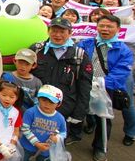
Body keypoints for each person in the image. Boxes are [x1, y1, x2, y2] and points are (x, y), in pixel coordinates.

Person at [77, 14, 135, 161]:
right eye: (102, 25)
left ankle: (100, 148)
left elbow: (121, 72)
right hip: (85, 84)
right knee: (81, 109)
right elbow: (77, 60)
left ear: (118, 29)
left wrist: (102, 83)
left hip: (105, 87)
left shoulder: (123, 50)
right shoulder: (86, 43)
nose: (105, 29)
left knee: (103, 117)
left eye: (109, 26)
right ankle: (80, 131)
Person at [30, 17, 92, 146]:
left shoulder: (79, 56)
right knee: (34, 140)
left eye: (62, 31)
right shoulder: (37, 50)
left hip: (63, 110)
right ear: (48, 31)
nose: (57, 35)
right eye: (54, 31)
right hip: (37, 106)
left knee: (55, 144)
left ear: (70, 33)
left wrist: (79, 113)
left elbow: (85, 87)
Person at [9, 85, 67, 161]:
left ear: (58, 104)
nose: (46, 104)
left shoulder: (60, 118)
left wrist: (58, 138)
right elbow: (25, 129)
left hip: (47, 149)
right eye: (43, 100)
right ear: (38, 99)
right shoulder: (31, 112)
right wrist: (36, 143)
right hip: (27, 145)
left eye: (51, 102)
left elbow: (63, 133)